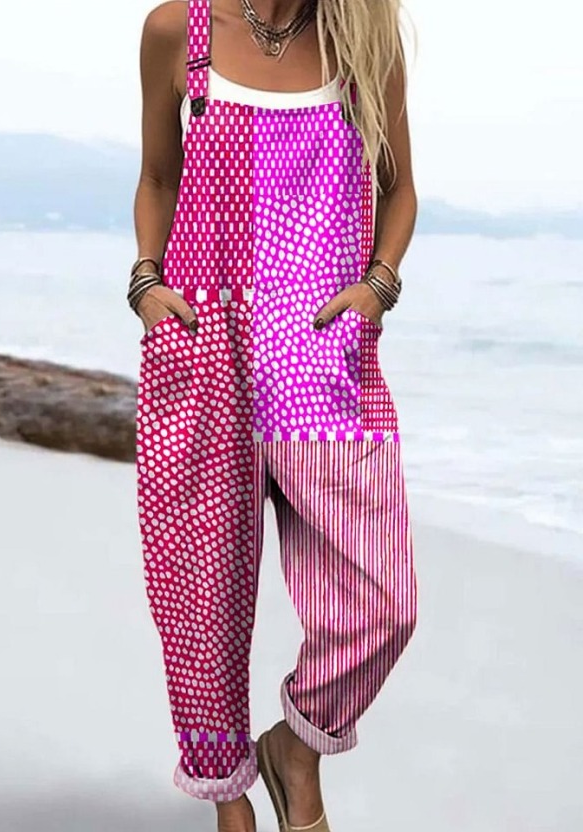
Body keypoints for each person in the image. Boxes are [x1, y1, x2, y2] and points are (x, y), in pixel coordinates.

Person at [129, 0, 418, 829]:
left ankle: (296, 747)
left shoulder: (362, 40)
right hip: (204, 347)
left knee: (382, 603)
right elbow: (158, 178)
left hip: (321, 357)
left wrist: (378, 287)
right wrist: (146, 284)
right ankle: (228, 797)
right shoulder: (178, 31)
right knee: (201, 598)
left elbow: (400, 190)